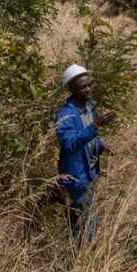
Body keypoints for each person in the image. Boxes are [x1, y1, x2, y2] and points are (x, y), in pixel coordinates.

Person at [55, 64, 115, 244]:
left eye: (89, 84)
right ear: (71, 89)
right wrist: (95, 125)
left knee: (88, 213)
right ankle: (79, 254)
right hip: (76, 175)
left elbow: (88, 135)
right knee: (82, 217)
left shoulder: (87, 108)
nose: (88, 89)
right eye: (82, 86)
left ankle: (85, 250)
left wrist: (100, 143)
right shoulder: (66, 115)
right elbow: (69, 144)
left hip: (90, 172)